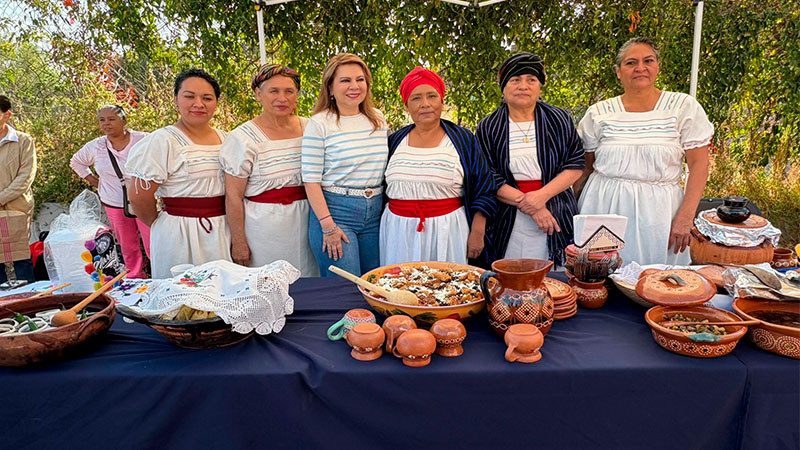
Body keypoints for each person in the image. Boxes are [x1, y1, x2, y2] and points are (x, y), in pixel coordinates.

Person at [574, 37, 712, 265]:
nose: (640, 68)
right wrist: (578, 211)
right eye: (630, 63)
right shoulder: (599, 112)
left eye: (648, 60)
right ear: (618, 71)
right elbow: (586, 167)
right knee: (600, 279)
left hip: (660, 213)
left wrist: (686, 217)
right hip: (603, 207)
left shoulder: (683, 107)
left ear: (657, 66)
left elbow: (699, 165)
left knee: (659, 283)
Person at [476, 53, 584, 268]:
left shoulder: (558, 119)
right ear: (503, 87)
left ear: (539, 86)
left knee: (554, 277)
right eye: (515, 80)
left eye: (531, 80)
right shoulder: (489, 126)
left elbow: (575, 163)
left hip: (555, 208)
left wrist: (542, 197)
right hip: (508, 214)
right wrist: (533, 207)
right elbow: (486, 175)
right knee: (512, 275)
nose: (523, 86)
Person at [381, 67, 496, 265]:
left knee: (447, 288)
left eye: (431, 96)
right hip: (398, 233)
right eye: (416, 98)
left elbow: (484, 187)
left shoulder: (463, 141)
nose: (425, 104)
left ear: (442, 101)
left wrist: (478, 232)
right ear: (406, 106)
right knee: (400, 288)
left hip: (448, 232)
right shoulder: (394, 142)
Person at [126, 69, 230, 279]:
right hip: (179, 233)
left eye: (207, 98)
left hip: (223, 228)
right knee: (182, 298)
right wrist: (161, 224)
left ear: (216, 103)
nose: (198, 104)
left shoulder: (227, 139)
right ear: (176, 100)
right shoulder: (163, 140)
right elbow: (138, 197)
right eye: (189, 96)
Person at [220, 64, 318, 276]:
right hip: (264, 229)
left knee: (310, 282)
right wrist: (239, 242)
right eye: (274, 91)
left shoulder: (312, 128)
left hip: (309, 223)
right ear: (258, 94)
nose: (282, 98)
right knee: (269, 283)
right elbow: (233, 196)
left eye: (289, 91)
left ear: (297, 95)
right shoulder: (243, 138)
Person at [301, 53, 389, 276]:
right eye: (345, 80)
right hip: (336, 212)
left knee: (376, 285)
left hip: (375, 214)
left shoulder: (377, 119)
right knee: (346, 289)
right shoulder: (319, 123)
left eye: (360, 79)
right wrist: (328, 226)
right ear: (330, 87)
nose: (354, 86)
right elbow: (310, 180)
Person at [70, 105, 150, 278]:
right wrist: (94, 181)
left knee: (154, 241)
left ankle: (161, 275)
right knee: (127, 244)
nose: (106, 124)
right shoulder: (96, 146)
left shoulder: (144, 140)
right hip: (114, 201)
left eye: (111, 119)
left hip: (144, 199)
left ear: (124, 120)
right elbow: (76, 162)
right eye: (102, 120)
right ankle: (135, 277)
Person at [0, 95, 37, 283]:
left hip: (18, 206)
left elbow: (26, 176)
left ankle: (31, 303)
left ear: (7, 115)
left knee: (21, 256)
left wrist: (2, 198)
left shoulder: (23, 141)